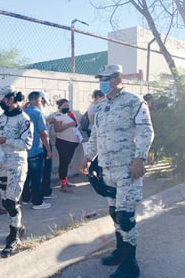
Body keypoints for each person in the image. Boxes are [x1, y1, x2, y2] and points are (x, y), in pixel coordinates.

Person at [80, 64, 154, 278]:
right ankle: (121, 252)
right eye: (100, 78)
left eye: (105, 78)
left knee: (125, 215)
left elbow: (145, 131)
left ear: (117, 79)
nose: (102, 82)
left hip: (128, 168)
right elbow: (95, 136)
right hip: (107, 169)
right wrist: (87, 158)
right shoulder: (101, 107)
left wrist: (140, 158)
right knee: (114, 212)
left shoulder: (134, 102)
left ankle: (131, 264)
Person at [0, 85, 33, 258]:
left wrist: (6, 140)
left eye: (3, 99)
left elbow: (26, 144)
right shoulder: (1, 118)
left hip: (16, 163)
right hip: (1, 163)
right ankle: (17, 226)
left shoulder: (24, 119)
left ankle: (14, 236)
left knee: (12, 201)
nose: (0, 102)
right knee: (4, 201)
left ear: (11, 99)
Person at [21, 91, 52, 210]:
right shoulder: (38, 113)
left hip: (25, 149)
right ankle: (37, 202)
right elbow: (43, 133)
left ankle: (25, 198)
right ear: (38, 100)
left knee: (26, 176)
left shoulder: (23, 112)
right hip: (36, 149)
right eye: (41, 100)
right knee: (36, 177)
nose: (41, 103)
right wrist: (48, 150)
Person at [54, 98, 80, 192]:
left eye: (67, 106)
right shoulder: (59, 116)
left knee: (67, 163)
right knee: (63, 163)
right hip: (63, 142)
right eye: (64, 106)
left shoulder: (68, 115)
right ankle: (63, 185)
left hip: (71, 143)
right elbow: (57, 129)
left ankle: (66, 181)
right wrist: (70, 125)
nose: (66, 107)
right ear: (59, 107)